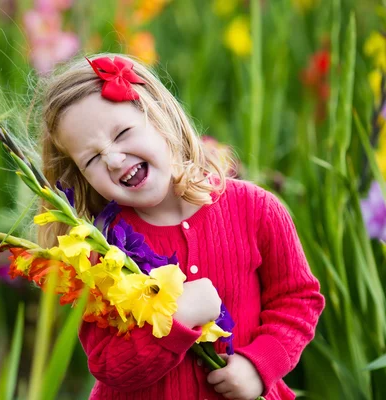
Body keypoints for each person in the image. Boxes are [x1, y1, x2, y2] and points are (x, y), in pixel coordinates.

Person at [36, 54, 325, 400]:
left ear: (159, 116)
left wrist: (259, 365)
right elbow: (109, 364)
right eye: (93, 159)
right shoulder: (101, 254)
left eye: (123, 133)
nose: (114, 159)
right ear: (82, 177)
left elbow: (297, 299)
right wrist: (178, 317)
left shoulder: (256, 209)